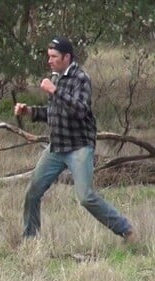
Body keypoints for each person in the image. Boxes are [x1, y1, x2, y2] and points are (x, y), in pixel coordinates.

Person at [13, 36, 137, 243]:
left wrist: (55, 91)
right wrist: (30, 111)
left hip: (79, 146)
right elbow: (55, 112)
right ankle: (30, 240)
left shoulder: (81, 78)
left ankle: (126, 230)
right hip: (57, 146)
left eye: (54, 57)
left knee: (86, 197)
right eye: (48, 56)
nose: (49, 61)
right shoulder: (56, 78)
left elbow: (80, 110)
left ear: (67, 57)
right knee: (32, 193)